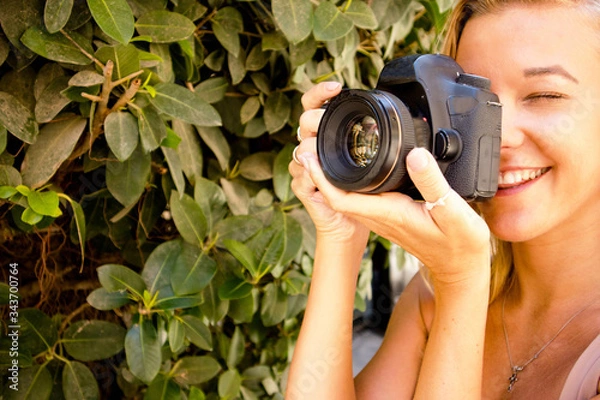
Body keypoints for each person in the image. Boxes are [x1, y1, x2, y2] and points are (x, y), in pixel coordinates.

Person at [286, 0, 600, 398]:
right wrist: (341, 234)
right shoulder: (432, 294)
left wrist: (461, 282)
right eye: (471, 100)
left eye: (543, 95)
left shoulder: (452, 283)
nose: (498, 137)